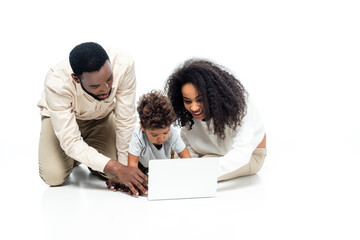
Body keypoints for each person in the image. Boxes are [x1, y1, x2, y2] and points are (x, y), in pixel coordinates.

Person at [37, 42, 147, 196]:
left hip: (100, 118)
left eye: (109, 79)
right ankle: (76, 156)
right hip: (61, 121)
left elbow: (126, 121)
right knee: (53, 176)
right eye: (95, 86)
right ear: (76, 78)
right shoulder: (56, 82)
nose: (106, 89)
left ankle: (85, 153)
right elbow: (70, 141)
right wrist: (117, 168)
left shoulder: (124, 64)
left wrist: (125, 169)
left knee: (113, 173)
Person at [165, 59, 267, 181]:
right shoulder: (188, 116)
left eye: (200, 99)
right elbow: (190, 148)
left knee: (194, 172)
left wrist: (193, 172)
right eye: (188, 101)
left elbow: (242, 154)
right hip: (209, 154)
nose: (194, 107)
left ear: (213, 95)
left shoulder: (238, 107)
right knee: (175, 165)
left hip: (250, 156)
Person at [106, 90, 191, 192]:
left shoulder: (172, 133)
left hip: (164, 166)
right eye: (154, 135)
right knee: (130, 179)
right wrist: (135, 184)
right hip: (144, 168)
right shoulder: (138, 135)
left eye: (165, 133)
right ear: (142, 127)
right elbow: (132, 164)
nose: (161, 139)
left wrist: (188, 176)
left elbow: (186, 157)